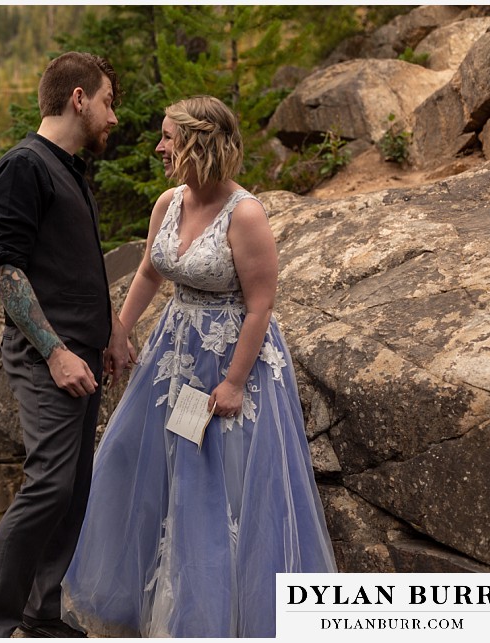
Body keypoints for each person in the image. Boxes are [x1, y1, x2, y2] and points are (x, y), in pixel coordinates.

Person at [60, 95, 338, 638]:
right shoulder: (169, 202)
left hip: (232, 361)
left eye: (170, 137)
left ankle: (216, 622)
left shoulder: (246, 213)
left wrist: (234, 382)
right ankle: (148, 608)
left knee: (215, 487)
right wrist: (120, 327)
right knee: (129, 460)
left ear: (201, 144)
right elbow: (147, 271)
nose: (160, 147)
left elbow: (260, 306)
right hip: (172, 355)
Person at [0, 52, 130, 638]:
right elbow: (3, 269)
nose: (114, 116)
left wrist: (109, 336)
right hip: (46, 356)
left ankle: (41, 612)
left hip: (83, 354)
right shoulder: (24, 165)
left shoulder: (72, 170)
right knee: (51, 485)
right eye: (108, 101)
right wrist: (56, 351)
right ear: (78, 98)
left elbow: (73, 270)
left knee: (73, 489)